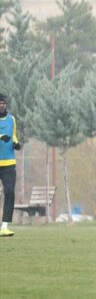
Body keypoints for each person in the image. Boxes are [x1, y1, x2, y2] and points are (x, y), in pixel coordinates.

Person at [0, 94, 21, 237]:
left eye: (3, 103)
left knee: (9, 193)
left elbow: (13, 135)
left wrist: (16, 143)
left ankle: (5, 226)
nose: (1, 105)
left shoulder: (12, 119)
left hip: (9, 163)